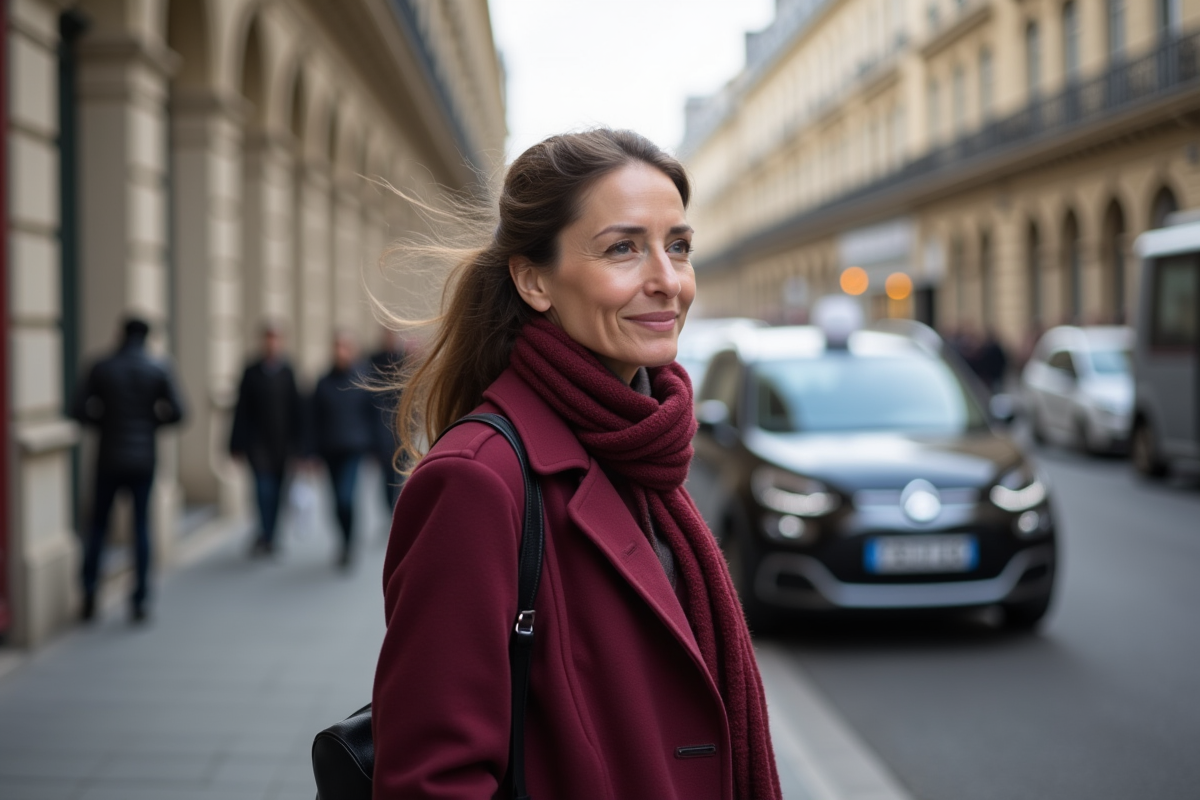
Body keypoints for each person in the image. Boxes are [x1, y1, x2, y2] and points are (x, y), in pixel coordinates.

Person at [372, 130, 782, 799]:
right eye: (623, 248)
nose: (668, 280)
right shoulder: (477, 480)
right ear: (535, 281)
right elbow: (430, 780)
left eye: (678, 245)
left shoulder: (647, 450)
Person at [72, 317, 186, 623]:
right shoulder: (157, 367)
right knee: (140, 529)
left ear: (120, 334)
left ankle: (89, 593)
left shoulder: (102, 366)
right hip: (142, 460)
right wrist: (150, 423)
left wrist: (105, 422)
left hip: (108, 458)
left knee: (97, 527)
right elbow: (179, 412)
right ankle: (140, 599)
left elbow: (78, 410)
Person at [229, 323, 303, 557]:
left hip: (283, 445)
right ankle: (265, 533)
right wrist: (235, 444)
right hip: (257, 444)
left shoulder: (288, 371)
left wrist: (301, 446)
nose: (272, 343)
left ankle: (272, 533)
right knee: (263, 490)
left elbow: (297, 409)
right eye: (269, 338)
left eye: (276, 338)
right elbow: (241, 409)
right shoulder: (251, 371)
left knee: (279, 492)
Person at [309, 330, 375, 567]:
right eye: (337, 346)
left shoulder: (362, 378)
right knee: (336, 500)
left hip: (353, 448)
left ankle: (349, 543)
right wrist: (310, 453)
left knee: (346, 497)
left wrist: (376, 448)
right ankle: (343, 541)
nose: (340, 351)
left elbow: (373, 415)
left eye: (345, 346)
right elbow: (313, 419)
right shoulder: (323, 381)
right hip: (329, 450)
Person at [366, 328, 409, 512]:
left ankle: (398, 506)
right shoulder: (374, 361)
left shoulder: (404, 360)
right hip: (381, 424)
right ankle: (391, 507)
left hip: (402, 425)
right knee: (386, 473)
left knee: (400, 470)